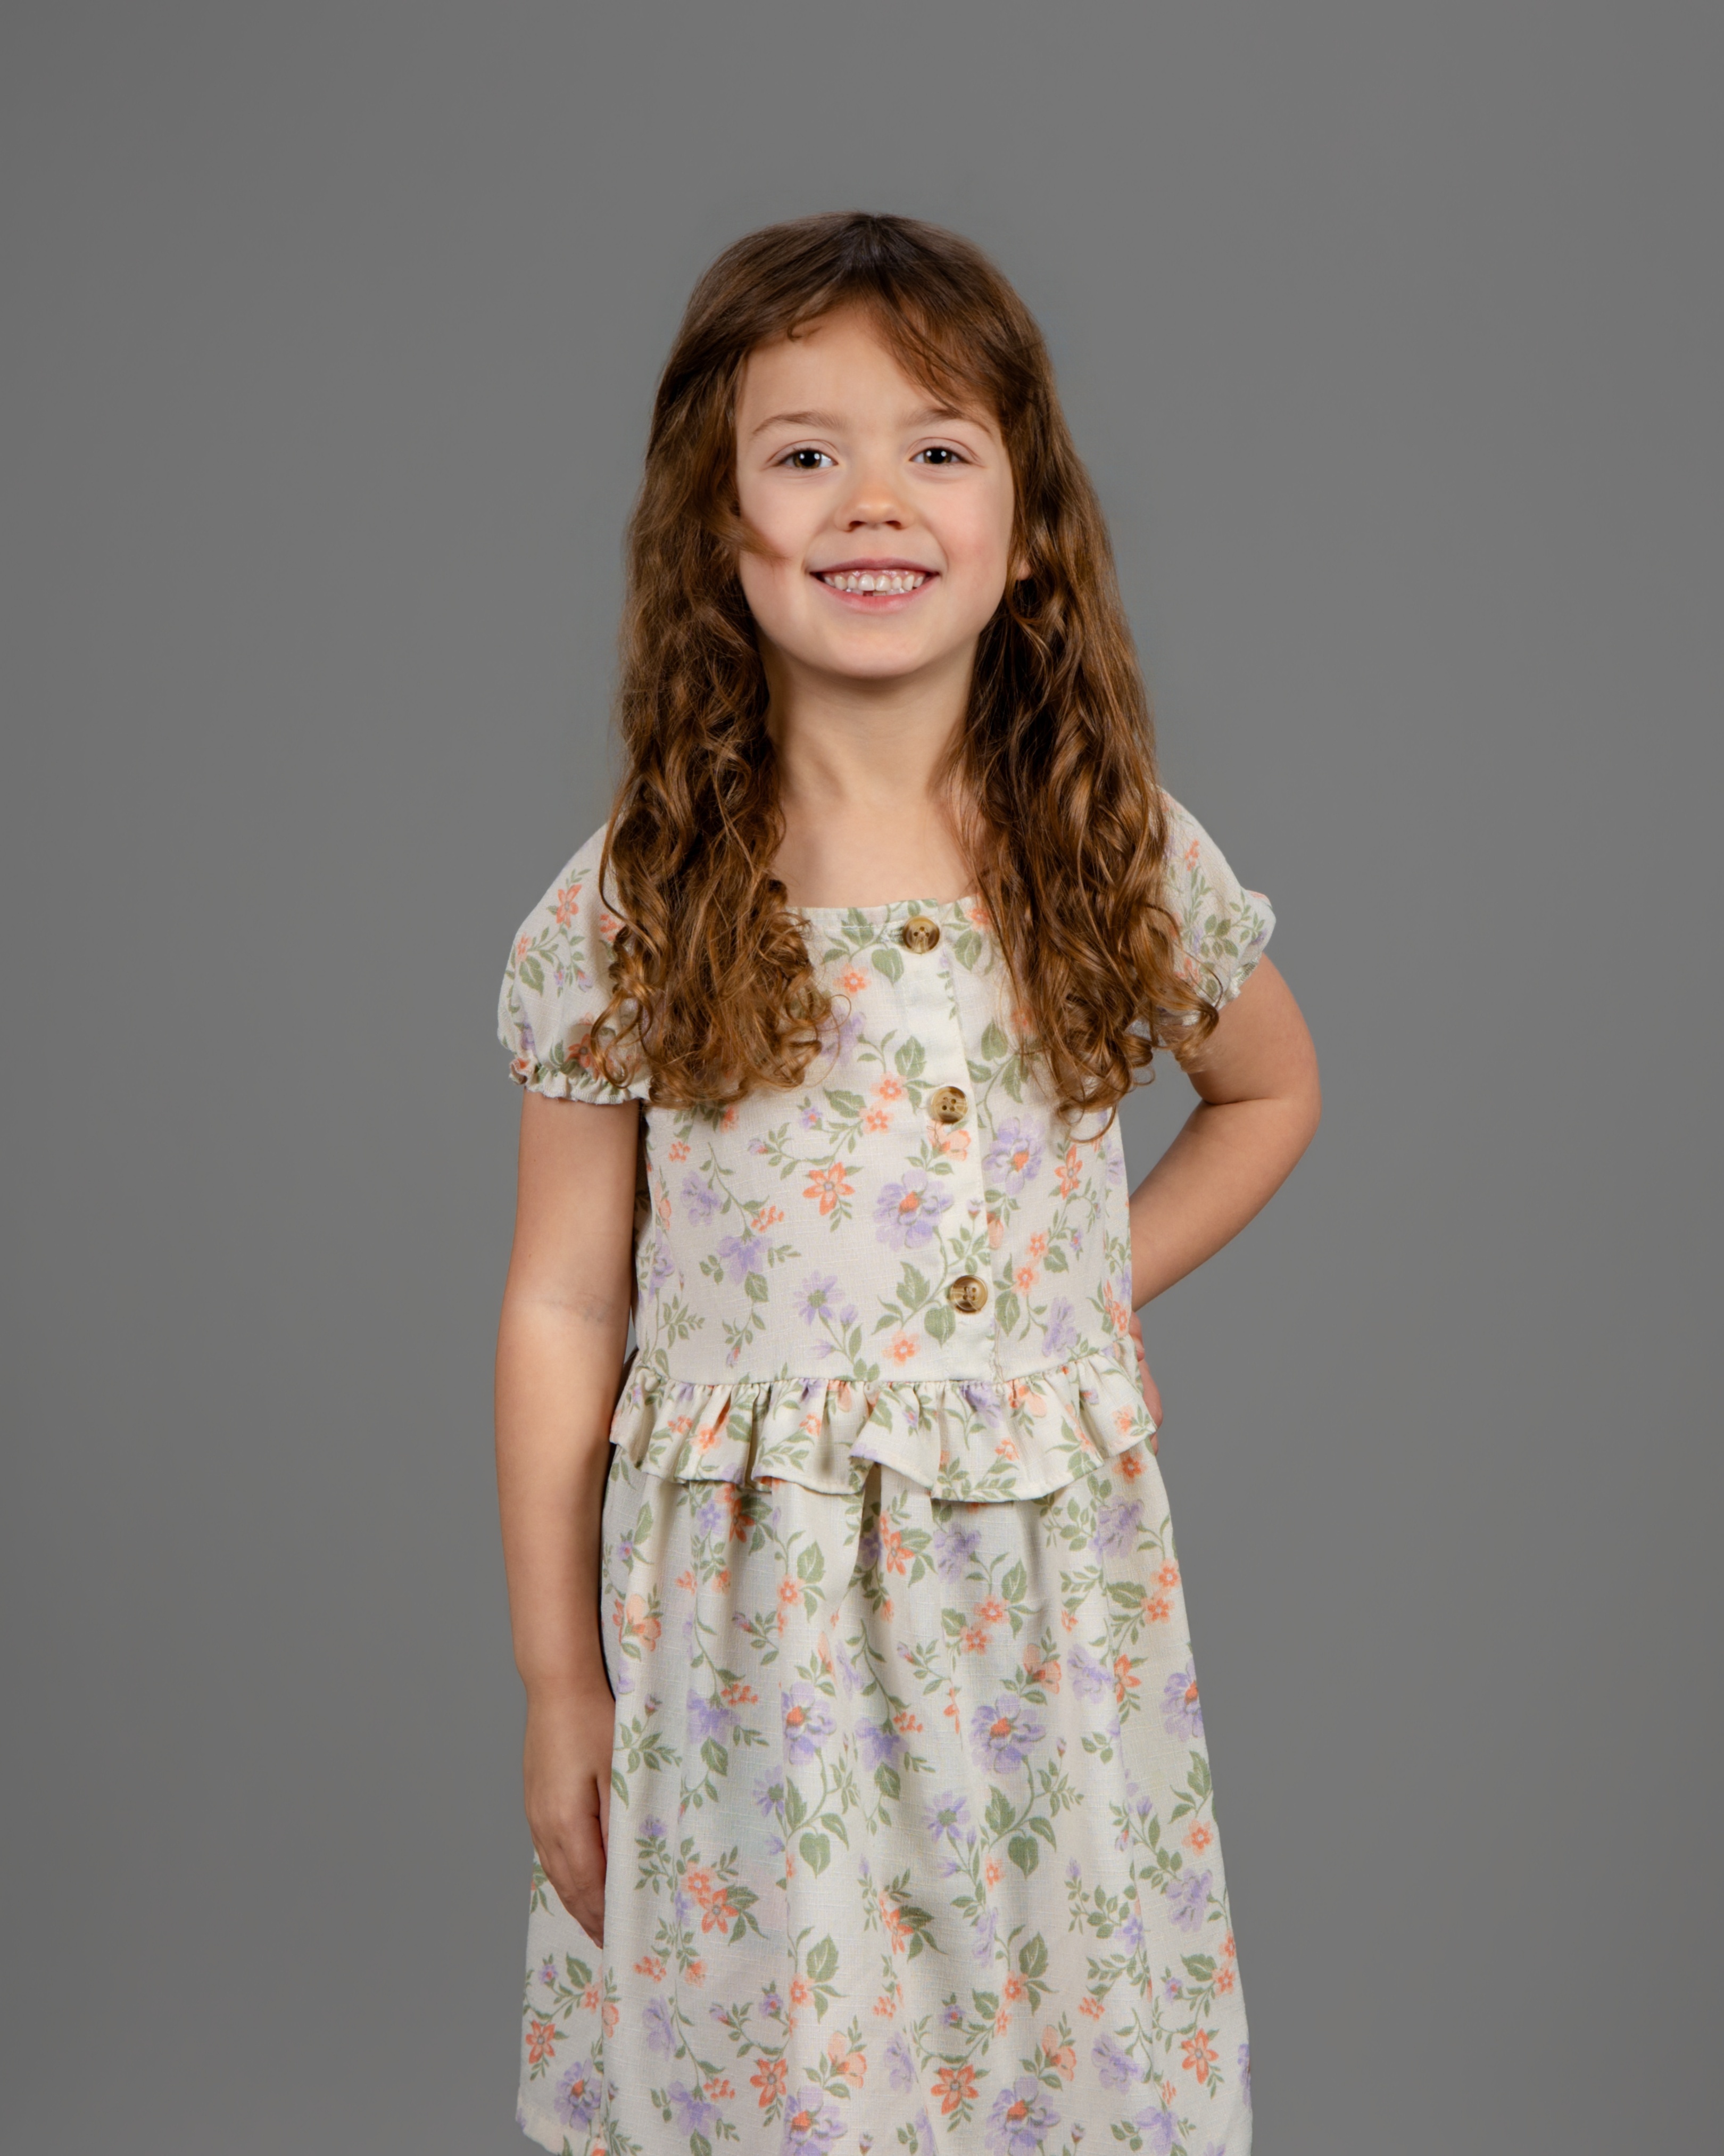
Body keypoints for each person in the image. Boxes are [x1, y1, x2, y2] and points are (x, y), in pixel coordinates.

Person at [494, 210, 1320, 2156]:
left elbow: (1270, 1088)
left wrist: (1077, 1287)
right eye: (805, 452)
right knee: (779, 2077)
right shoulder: (641, 896)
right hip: (750, 1640)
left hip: (1036, 1615)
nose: (873, 498)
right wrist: (555, 1680)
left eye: (937, 446)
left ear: (1027, 527)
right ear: (717, 522)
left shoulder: (1107, 851)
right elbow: (562, 1297)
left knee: (1053, 2065)